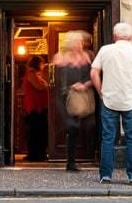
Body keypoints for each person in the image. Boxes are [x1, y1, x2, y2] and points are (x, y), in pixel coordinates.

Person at [90, 22, 132, 185]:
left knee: (107, 138)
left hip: (109, 100)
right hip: (130, 100)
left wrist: (101, 91)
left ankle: (106, 175)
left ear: (115, 36)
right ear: (130, 36)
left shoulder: (105, 50)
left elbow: (94, 72)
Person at [53, 30, 93, 171]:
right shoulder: (61, 58)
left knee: (89, 126)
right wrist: (69, 87)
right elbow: (57, 81)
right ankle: (70, 162)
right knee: (72, 127)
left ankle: (81, 159)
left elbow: (93, 77)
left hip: (82, 98)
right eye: (76, 42)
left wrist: (84, 85)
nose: (79, 44)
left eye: (81, 41)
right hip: (65, 98)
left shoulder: (88, 57)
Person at [22, 55, 49, 161]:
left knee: (38, 131)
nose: (43, 66)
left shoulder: (35, 74)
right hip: (34, 107)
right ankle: (35, 155)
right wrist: (45, 83)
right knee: (37, 131)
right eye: (42, 63)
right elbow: (39, 86)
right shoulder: (32, 74)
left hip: (38, 106)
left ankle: (38, 153)